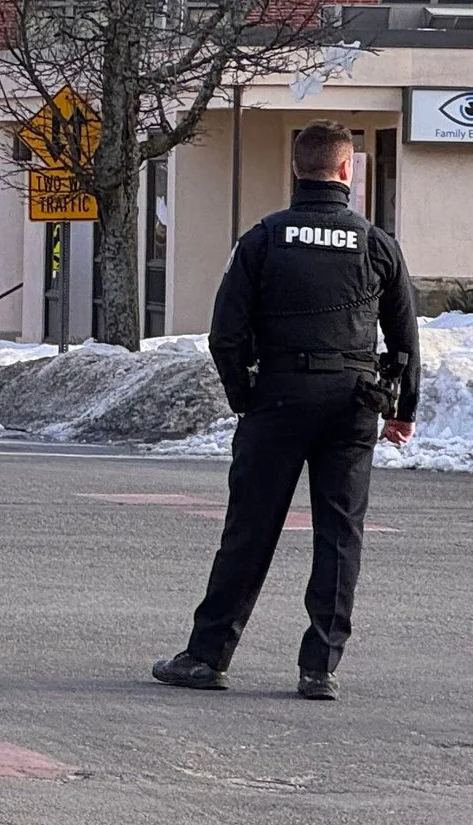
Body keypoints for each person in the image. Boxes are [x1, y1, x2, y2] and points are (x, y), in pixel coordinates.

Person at [154, 119, 418, 703]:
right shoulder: (376, 243)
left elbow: (226, 333)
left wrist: (244, 395)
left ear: (295, 169)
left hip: (277, 396)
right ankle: (319, 668)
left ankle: (208, 657)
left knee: (250, 530)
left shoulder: (263, 239)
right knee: (340, 536)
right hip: (353, 403)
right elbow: (404, 338)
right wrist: (403, 409)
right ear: (347, 170)